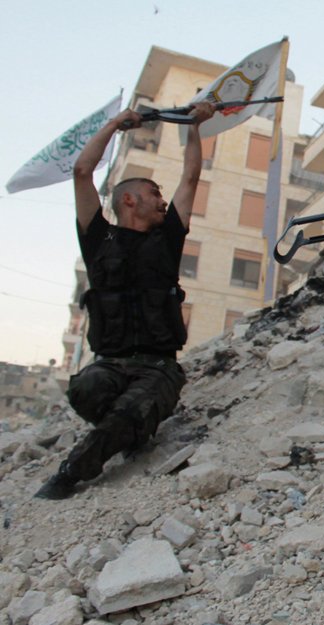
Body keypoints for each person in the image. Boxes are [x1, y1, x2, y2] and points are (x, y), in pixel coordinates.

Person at [34, 101, 216, 500]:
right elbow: (82, 171)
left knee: (132, 410)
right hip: (110, 366)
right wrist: (117, 125)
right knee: (85, 388)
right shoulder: (98, 238)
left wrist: (193, 127)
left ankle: (70, 473)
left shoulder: (167, 237)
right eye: (154, 194)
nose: (163, 200)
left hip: (159, 368)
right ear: (130, 200)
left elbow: (191, 176)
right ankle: (130, 428)